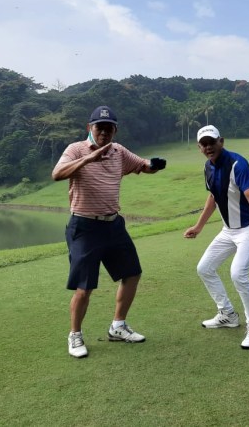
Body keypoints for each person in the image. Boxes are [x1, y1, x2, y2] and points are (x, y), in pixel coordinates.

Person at [52, 105, 167, 358]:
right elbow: (57, 174)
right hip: (85, 226)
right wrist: (88, 159)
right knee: (84, 287)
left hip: (113, 224)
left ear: (115, 130)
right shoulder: (75, 149)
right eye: (99, 127)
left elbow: (142, 165)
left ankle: (118, 326)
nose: (104, 132)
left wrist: (154, 165)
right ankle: (75, 335)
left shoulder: (118, 151)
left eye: (109, 128)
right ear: (89, 128)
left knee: (132, 274)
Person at [184, 125, 249, 350]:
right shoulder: (208, 167)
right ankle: (228, 314)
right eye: (203, 144)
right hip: (228, 230)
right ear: (199, 147)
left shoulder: (237, 164)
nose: (208, 147)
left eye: (212, 142)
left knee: (238, 274)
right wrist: (199, 226)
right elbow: (213, 197)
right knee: (204, 268)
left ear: (221, 141)